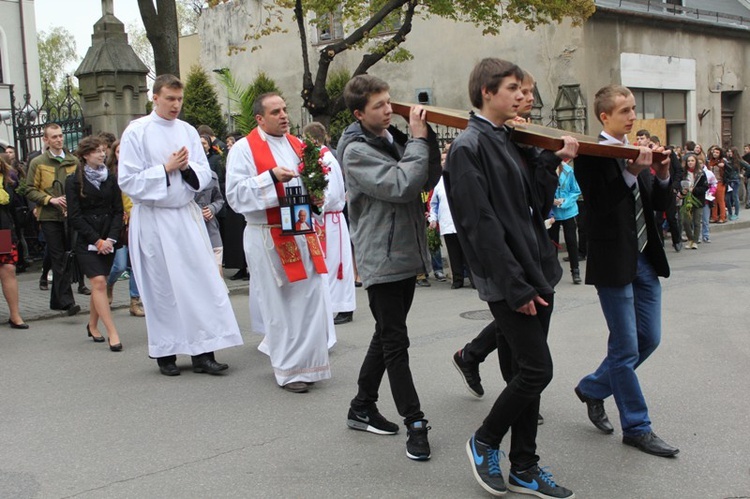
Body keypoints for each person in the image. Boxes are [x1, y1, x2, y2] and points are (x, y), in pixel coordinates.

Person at [444, 58, 577, 497]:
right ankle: (484, 441)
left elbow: (536, 207)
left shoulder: (510, 139)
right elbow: (479, 228)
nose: (523, 96)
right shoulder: (468, 147)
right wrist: (515, 286)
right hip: (510, 280)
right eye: (513, 88)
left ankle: (524, 465)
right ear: (486, 91)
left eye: (524, 89)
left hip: (538, 269)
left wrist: (551, 162)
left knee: (526, 369)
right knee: (537, 371)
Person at [338, 74, 441, 461]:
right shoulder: (355, 151)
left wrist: (424, 139)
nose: (389, 109)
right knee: (396, 342)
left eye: (388, 101)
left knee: (386, 336)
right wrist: (415, 139)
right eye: (379, 105)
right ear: (359, 113)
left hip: (403, 252)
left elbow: (427, 177)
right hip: (380, 257)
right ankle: (415, 422)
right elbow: (401, 184)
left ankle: (361, 406)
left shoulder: (391, 137)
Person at [573, 84, 679, 458]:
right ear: (605, 117)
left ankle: (592, 387)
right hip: (613, 264)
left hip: (646, 260)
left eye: (633, 109)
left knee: (648, 339)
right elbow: (600, 208)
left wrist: (663, 174)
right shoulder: (590, 155)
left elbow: (659, 205)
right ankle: (636, 426)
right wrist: (632, 173)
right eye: (624, 111)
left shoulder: (638, 150)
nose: (633, 116)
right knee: (625, 347)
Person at [119, 74, 243, 376]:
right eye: (170, 99)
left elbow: (204, 173)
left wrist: (186, 169)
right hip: (154, 219)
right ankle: (167, 353)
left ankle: (204, 353)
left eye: (179, 99)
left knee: (199, 283)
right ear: (155, 97)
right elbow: (128, 180)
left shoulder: (187, 131)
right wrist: (166, 168)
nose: (176, 105)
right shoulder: (137, 132)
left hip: (185, 217)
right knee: (163, 286)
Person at [225, 92, 334, 393]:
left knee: (310, 297)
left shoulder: (298, 145)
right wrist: (271, 177)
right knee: (280, 302)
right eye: (276, 112)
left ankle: (310, 364)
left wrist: (317, 196)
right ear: (259, 118)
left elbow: (314, 183)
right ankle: (288, 370)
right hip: (267, 233)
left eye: (285, 109)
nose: (284, 115)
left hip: (300, 229)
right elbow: (235, 195)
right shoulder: (244, 149)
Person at [66, 136, 124, 351]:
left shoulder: (112, 178)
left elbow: (118, 211)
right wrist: (96, 240)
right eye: (97, 151)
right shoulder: (73, 180)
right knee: (99, 282)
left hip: (108, 237)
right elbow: (74, 216)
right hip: (87, 239)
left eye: (103, 150)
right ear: (85, 155)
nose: (102, 154)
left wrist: (110, 238)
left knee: (98, 284)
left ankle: (92, 325)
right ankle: (112, 332)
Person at [301, 122, 356, 326]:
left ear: (312, 140)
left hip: (330, 218)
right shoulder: (319, 158)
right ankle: (334, 304)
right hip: (325, 219)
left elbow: (330, 193)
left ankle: (343, 306)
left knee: (336, 264)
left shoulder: (326, 160)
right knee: (329, 263)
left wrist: (317, 206)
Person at [25, 123, 81, 316]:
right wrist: (50, 199)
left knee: (68, 255)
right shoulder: (38, 162)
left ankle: (57, 300)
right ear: (46, 140)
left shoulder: (73, 161)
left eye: (60, 136)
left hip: (69, 216)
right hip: (49, 216)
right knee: (58, 257)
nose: (58, 139)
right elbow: (29, 189)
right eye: (54, 137)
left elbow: (79, 187)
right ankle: (67, 300)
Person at [104, 140, 145, 317]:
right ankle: (108, 285)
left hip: (138, 222)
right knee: (119, 265)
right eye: (119, 152)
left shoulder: (139, 172)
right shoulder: (110, 175)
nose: (123, 155)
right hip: (119, 225)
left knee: (137, 264)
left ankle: (134, 302)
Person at [428, 142, 468, 289]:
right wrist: (433, 218)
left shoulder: (461, 177)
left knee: (468, 253)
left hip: (464, 222)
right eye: (443, 161)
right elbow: (434, 204)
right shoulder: (439, 182)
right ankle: (457, 280)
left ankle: (474, 279)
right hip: (447, 223)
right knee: (454, 253)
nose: (445, 163)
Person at [0, 155, 29, 329]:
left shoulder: (7, 178)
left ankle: (15, 315)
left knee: (8, 269)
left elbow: (13, 206)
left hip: (3, 230)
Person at [549, 161, 582, 284]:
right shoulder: (546, 168)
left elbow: (576, 191)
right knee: (553, 243)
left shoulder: (568, 170)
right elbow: (540, 190)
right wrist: (551, 200)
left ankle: (575, 271)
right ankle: (552, 271)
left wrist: (565, 201)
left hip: (569, 212)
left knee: (571, 241)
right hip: (553, 213)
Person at [194, 168, 225, 277]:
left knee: (217, 266)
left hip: (210, 228)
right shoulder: (177, 177)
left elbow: (219, 199)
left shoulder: (211, 176)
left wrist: (212, 208)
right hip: (190, 229)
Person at [677, 153, 708, 249]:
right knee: (686, 221)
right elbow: (679, 185)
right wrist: (682, 191)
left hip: (698, 200)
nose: (690, 163)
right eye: (688, 161)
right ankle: (690, 239)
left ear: (696, 162)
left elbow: (705, 187)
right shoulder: (683, 173)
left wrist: (694, 190)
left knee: (696, 221)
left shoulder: (701, 173)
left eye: (692, 161)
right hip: (686, 200)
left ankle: (695, 241)